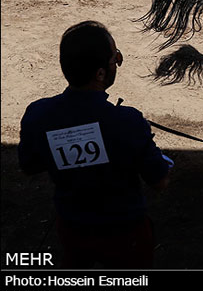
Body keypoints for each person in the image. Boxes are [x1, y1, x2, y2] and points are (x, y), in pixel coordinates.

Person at [18, 20, 172, 269]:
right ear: (100, 73)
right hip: (126, 235)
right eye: (115, 59)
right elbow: (160, 181)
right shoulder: (127, 121)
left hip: (73, 229)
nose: (117, 63)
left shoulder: (38, 115)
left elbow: (29, 166)